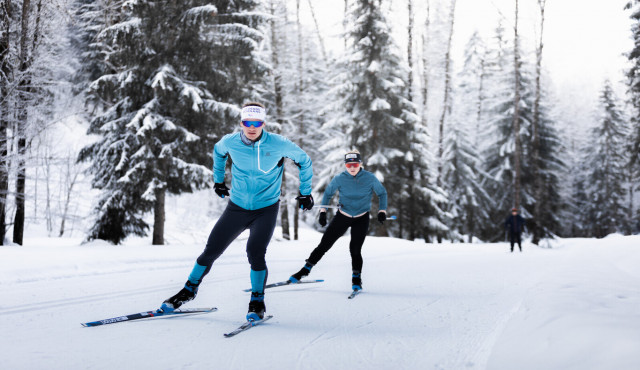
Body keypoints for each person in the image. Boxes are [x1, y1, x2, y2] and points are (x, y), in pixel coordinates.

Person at [160, 102, 314, 321]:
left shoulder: (279, 144)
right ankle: (189, 290)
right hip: (237, 208)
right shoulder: (230, 142)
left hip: (266, 209)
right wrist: (218, 181)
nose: (252, 127)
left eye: (257, 123)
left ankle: (257, 301)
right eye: (247, 123)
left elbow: (305, 162)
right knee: (211, 250)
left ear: (263, 123)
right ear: (241, 123)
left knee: (255, 252)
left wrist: (305, 192)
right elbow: (218, 152)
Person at [288, 150, 387, 292]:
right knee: (324, 245)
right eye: (349, 165)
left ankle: (356, 279)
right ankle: (305, 270)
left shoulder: (370, 178)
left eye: (355, 164)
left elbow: (382, 193)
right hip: (343, 216)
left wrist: (382, 210)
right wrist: (323, 212)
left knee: (355, 249)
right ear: (345, 165)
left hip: (361, 217)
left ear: (360, 164)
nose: (352, 168)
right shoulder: (340, 178)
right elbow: (328, 194)